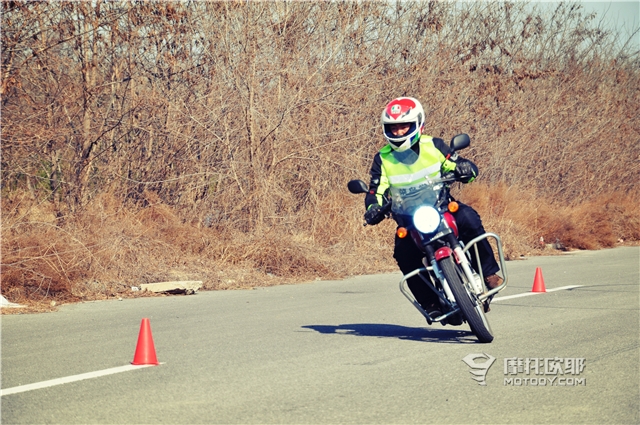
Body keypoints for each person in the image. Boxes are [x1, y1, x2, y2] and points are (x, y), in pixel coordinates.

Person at [363, 96, 503, 319]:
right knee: (403, 253)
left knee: (469, 218)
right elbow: (375, 191)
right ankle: (430, 303)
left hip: (442, 207)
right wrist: (373, 208)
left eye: (404, 126)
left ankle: (488, 273)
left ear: (418, 124)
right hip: (408, 219)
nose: (398, 132)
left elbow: (456, 163)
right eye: (394, 128)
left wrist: (465, 168)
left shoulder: (434, 145)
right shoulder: (383, 158)